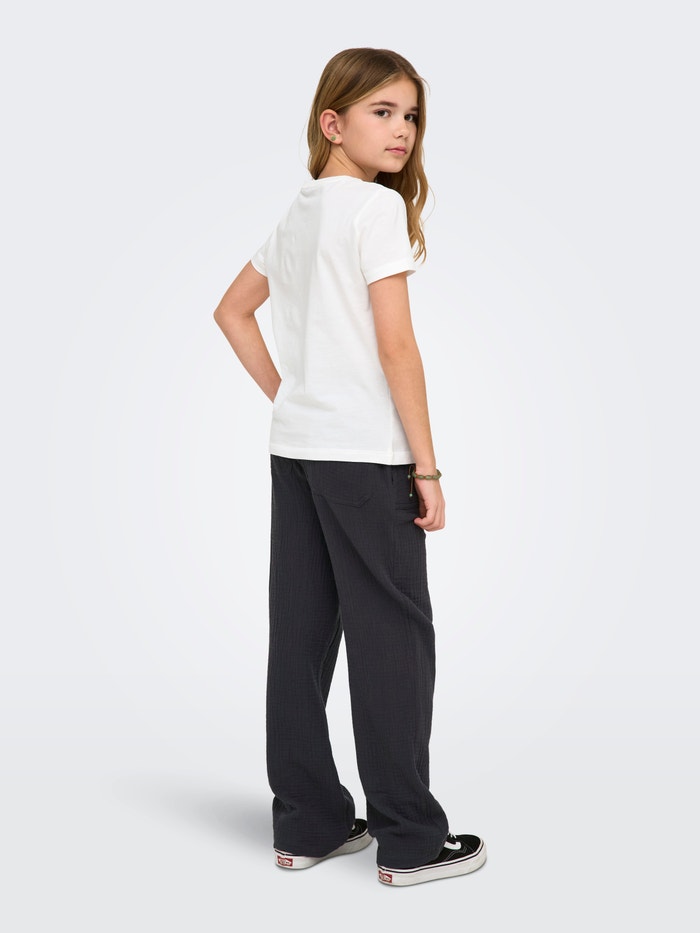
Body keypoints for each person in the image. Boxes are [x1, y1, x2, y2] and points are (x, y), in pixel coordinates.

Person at [213, 47, 486, 886]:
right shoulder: (373, 209)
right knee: (392, 639)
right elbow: (397, 346)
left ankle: (308, 824)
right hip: (366, 459)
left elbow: (232, 312)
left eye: (411, 116)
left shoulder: (299, 213)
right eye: (382, 112)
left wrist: (291, 396)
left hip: (298, 450)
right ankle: (409, 839)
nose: (402, 130)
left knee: (300, 637)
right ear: (332, 122)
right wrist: (427, 470)